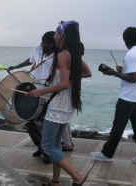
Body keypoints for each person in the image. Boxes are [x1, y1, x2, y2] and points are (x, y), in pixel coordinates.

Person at [27, 21, 92, 186]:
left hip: (58, 105)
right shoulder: (73, 53)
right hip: (67, 105)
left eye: (56, 33)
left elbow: (63, 84)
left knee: (47, 146)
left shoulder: (63, 55)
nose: (54, 35)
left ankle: (77, 177)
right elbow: (87, 73)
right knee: (56, 144)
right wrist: (70, 76)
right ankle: (55, 182)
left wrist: (41, 91)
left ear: (61, 35)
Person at [91, 27, 136, 163]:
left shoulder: (131, 54)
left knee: (118, 126)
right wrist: (125, 70)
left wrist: (114, 73)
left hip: (128, 97)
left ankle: (107, 154)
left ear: (126, 39)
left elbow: (133, 78)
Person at [7, 31, 58, 164]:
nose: (41, 45)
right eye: (41, 41)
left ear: (52, 44)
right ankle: (41, 146)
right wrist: (16, 67)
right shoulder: (37, 48)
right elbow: (31, 60)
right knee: (27, 117)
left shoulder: (58, 55)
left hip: (49, 90)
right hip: (35, 86)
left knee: (45, 122)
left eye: (45, 43)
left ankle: (46, 150)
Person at [61, 42, 85, 151]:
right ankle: (69, 140)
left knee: (63, 119)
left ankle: (67, 143)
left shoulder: (75, 61)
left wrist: (70, 76)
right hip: (73, 92)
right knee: (65, 119)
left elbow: (88, 73)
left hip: (67, 93)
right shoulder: (76, 62)